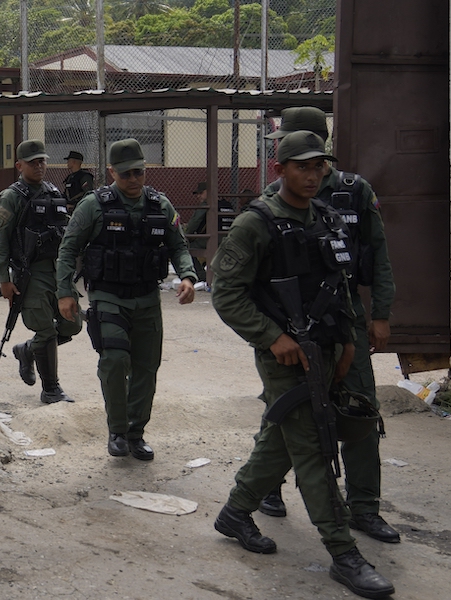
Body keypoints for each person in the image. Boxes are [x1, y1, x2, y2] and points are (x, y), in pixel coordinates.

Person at [210, 130, 394, 599]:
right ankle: (344, 553)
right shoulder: (256, 223)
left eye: (319, 166)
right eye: (302, 167)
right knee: (314, 447)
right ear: (280, 170)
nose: (313, 175)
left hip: (328, 348)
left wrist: (348, 341)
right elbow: (226, 292)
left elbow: (341, 285)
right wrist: (273, 338)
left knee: (283, 440)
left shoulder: (327, 218)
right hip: (285, 355)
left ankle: (235, 512)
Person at [255, 107, 399, 545]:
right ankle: (267, 488)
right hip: (293, 319)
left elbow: (379, 254)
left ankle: (364, 507)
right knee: (285, 407)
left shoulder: (354, 192)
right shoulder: (274, 195)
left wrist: (380, 315)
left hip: (344, 315)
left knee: (360, 408)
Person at [56, 138, 197, 460]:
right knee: (115, 360)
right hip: (108, 296)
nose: (133, 180)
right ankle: (118, 430)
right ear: (112, 172)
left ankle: (136, 433)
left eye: (138, 172)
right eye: (126, 174)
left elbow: (178, 245)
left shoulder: (160, 205)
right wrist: (65, 292)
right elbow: (68, 249)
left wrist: (187, 276)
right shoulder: (93, 205)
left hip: (147, 299)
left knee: (146, 369)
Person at [0, 140, 80, 404]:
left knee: (72, 324)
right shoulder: (12, 197)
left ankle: (28, 350)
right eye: (33, 162)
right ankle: (51, 389)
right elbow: (1, 243)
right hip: (31, 274)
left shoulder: (52, 192)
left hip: (57, 271)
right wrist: (5, 281)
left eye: (42, 161)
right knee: (46, 330)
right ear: (19, 165)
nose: (39, 166)